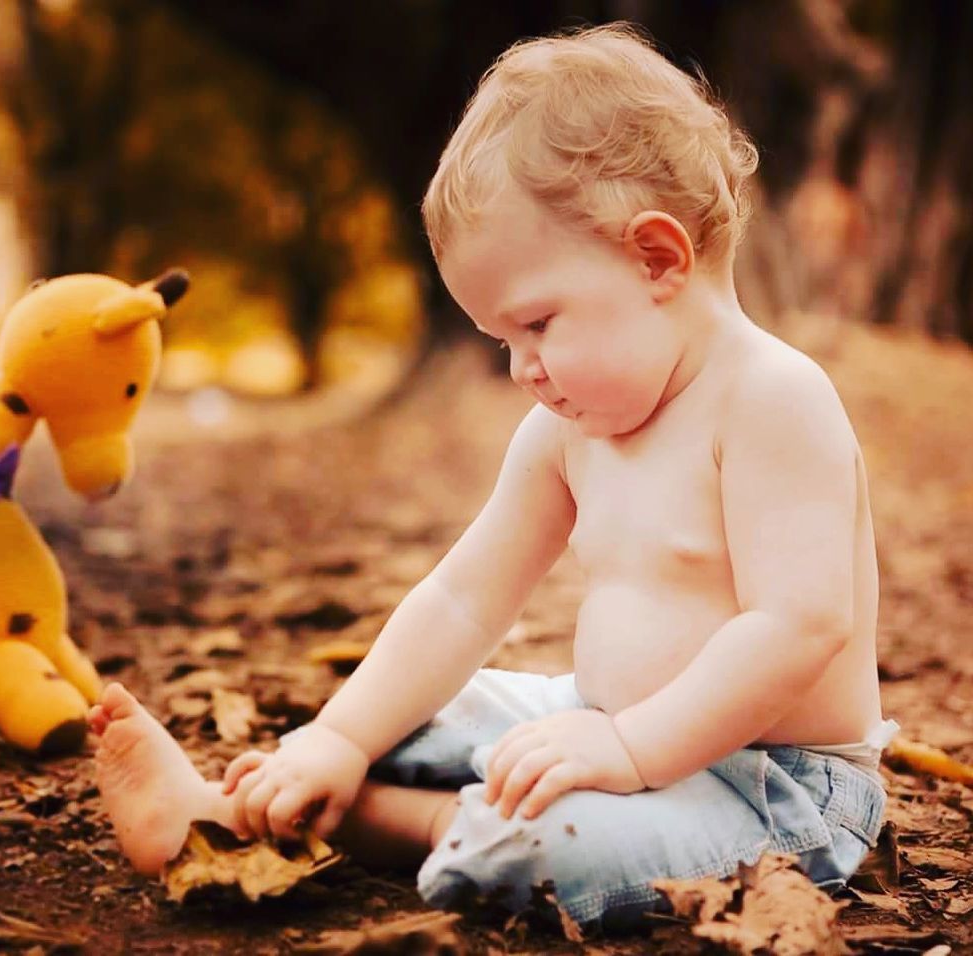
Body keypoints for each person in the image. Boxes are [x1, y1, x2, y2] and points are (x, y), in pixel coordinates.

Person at [88, 22, 898, 929]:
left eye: (539, 325)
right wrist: (341, 735)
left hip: (774, 788)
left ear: (658, 258)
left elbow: (799, 626)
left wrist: (629, 748)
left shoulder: (772, 400)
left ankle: (404, 826)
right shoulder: (563, 432)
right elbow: (464, 600)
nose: (523, 369)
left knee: (547, 848)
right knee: (413, 716)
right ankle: (274, 798)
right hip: (600, 718)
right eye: (502, 342)